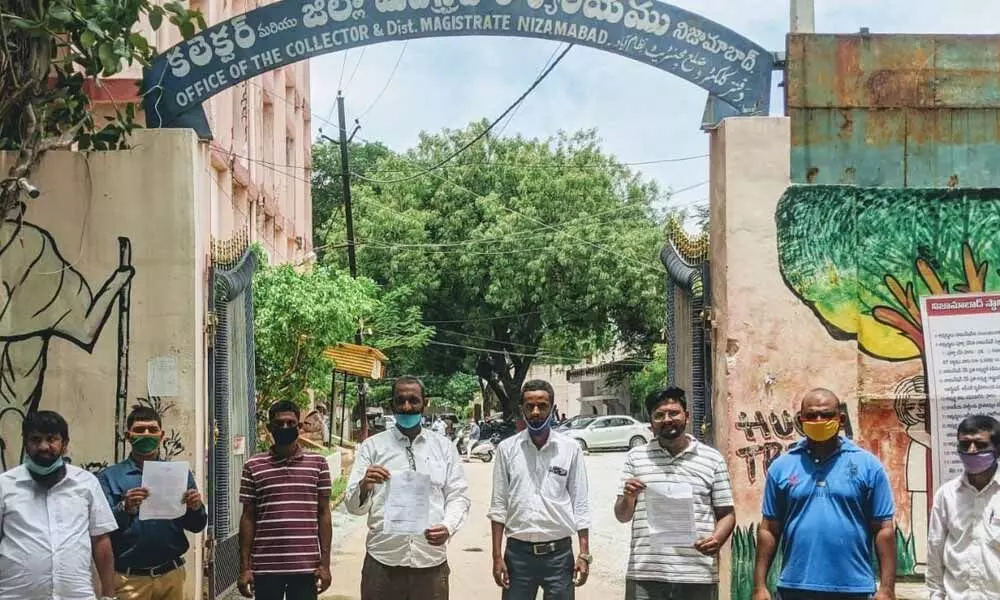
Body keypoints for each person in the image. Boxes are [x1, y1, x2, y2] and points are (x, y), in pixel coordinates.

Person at [751, 388, 896, 600]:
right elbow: (770, 529)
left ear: (841, 418)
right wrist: (759, 586)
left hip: (854, 589)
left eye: (827, 415)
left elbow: (884, 530)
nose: (819, 420)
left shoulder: (868, 466)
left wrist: (886, 588)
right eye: (811, 415)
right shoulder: (781, 467)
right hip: (795, 588)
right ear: (800, 420)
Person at [345, 376, 470, 600]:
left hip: (430, 561)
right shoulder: (372, 447)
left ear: (425, 403)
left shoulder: (444, 447)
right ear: (391, 404)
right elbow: (354, 507)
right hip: (382, 561)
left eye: (413, 400)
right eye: (400, 401)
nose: (406, 407)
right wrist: (365, 485)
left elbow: (458, 495)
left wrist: (448, 526)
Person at [615, 387, 736, 600]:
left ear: (687, 416)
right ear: (651, 422)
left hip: (697, 574)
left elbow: (726, 513)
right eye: (659, 415)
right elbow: (622, 516)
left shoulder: (712, 459)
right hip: (646, 574)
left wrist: (717, 539)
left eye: (673, 413)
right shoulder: (636, 458)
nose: (667, 419)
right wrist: (629, 496)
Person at [489, 379, 591, 599]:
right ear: (522, 409)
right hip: (517, 556)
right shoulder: (507, 450)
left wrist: (584, 553)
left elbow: (580, 503)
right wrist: (497, 556)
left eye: (542, 406)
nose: (536, 412)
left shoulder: (570, 449)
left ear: (552, 408)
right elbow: (498, 506)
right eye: (529, 406)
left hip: (559, 557)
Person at [0, 410, 118, 599]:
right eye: (35, 439)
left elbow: (101, 540)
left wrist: (109, 594)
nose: (43, 446)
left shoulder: (86, 483)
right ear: (26, 443)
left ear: (65, 444)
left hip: (76, 595)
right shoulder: (5, 485)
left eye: (51, 439)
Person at [98, 406, 207, 600]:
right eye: (140, 430)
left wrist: (196, 507)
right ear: (128, 435)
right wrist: (125, 507)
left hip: (171, 577)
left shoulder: (179, 474)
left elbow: (196, 526)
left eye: (152, 429)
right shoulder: (110, 477)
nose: (146, 434)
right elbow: (101, 529)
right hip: (129, 579)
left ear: (161, 435)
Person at [238, 400, 333, 600]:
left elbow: (324, 514)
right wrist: (245, 568)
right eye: (279, 423)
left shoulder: (318, 464)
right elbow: (248, 517)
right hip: (265, 568)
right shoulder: (253, 466)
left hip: (306, 567)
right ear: (269, 428)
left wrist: (325, 564)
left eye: (290, 423)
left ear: (299, 427)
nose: (285, 427)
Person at [927, 414, 1000, 599]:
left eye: (981, 445)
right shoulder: (946, 495)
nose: (972, 450)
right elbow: (935, 550)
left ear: (997, 450)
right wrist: (936, 595)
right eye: (964, 444)